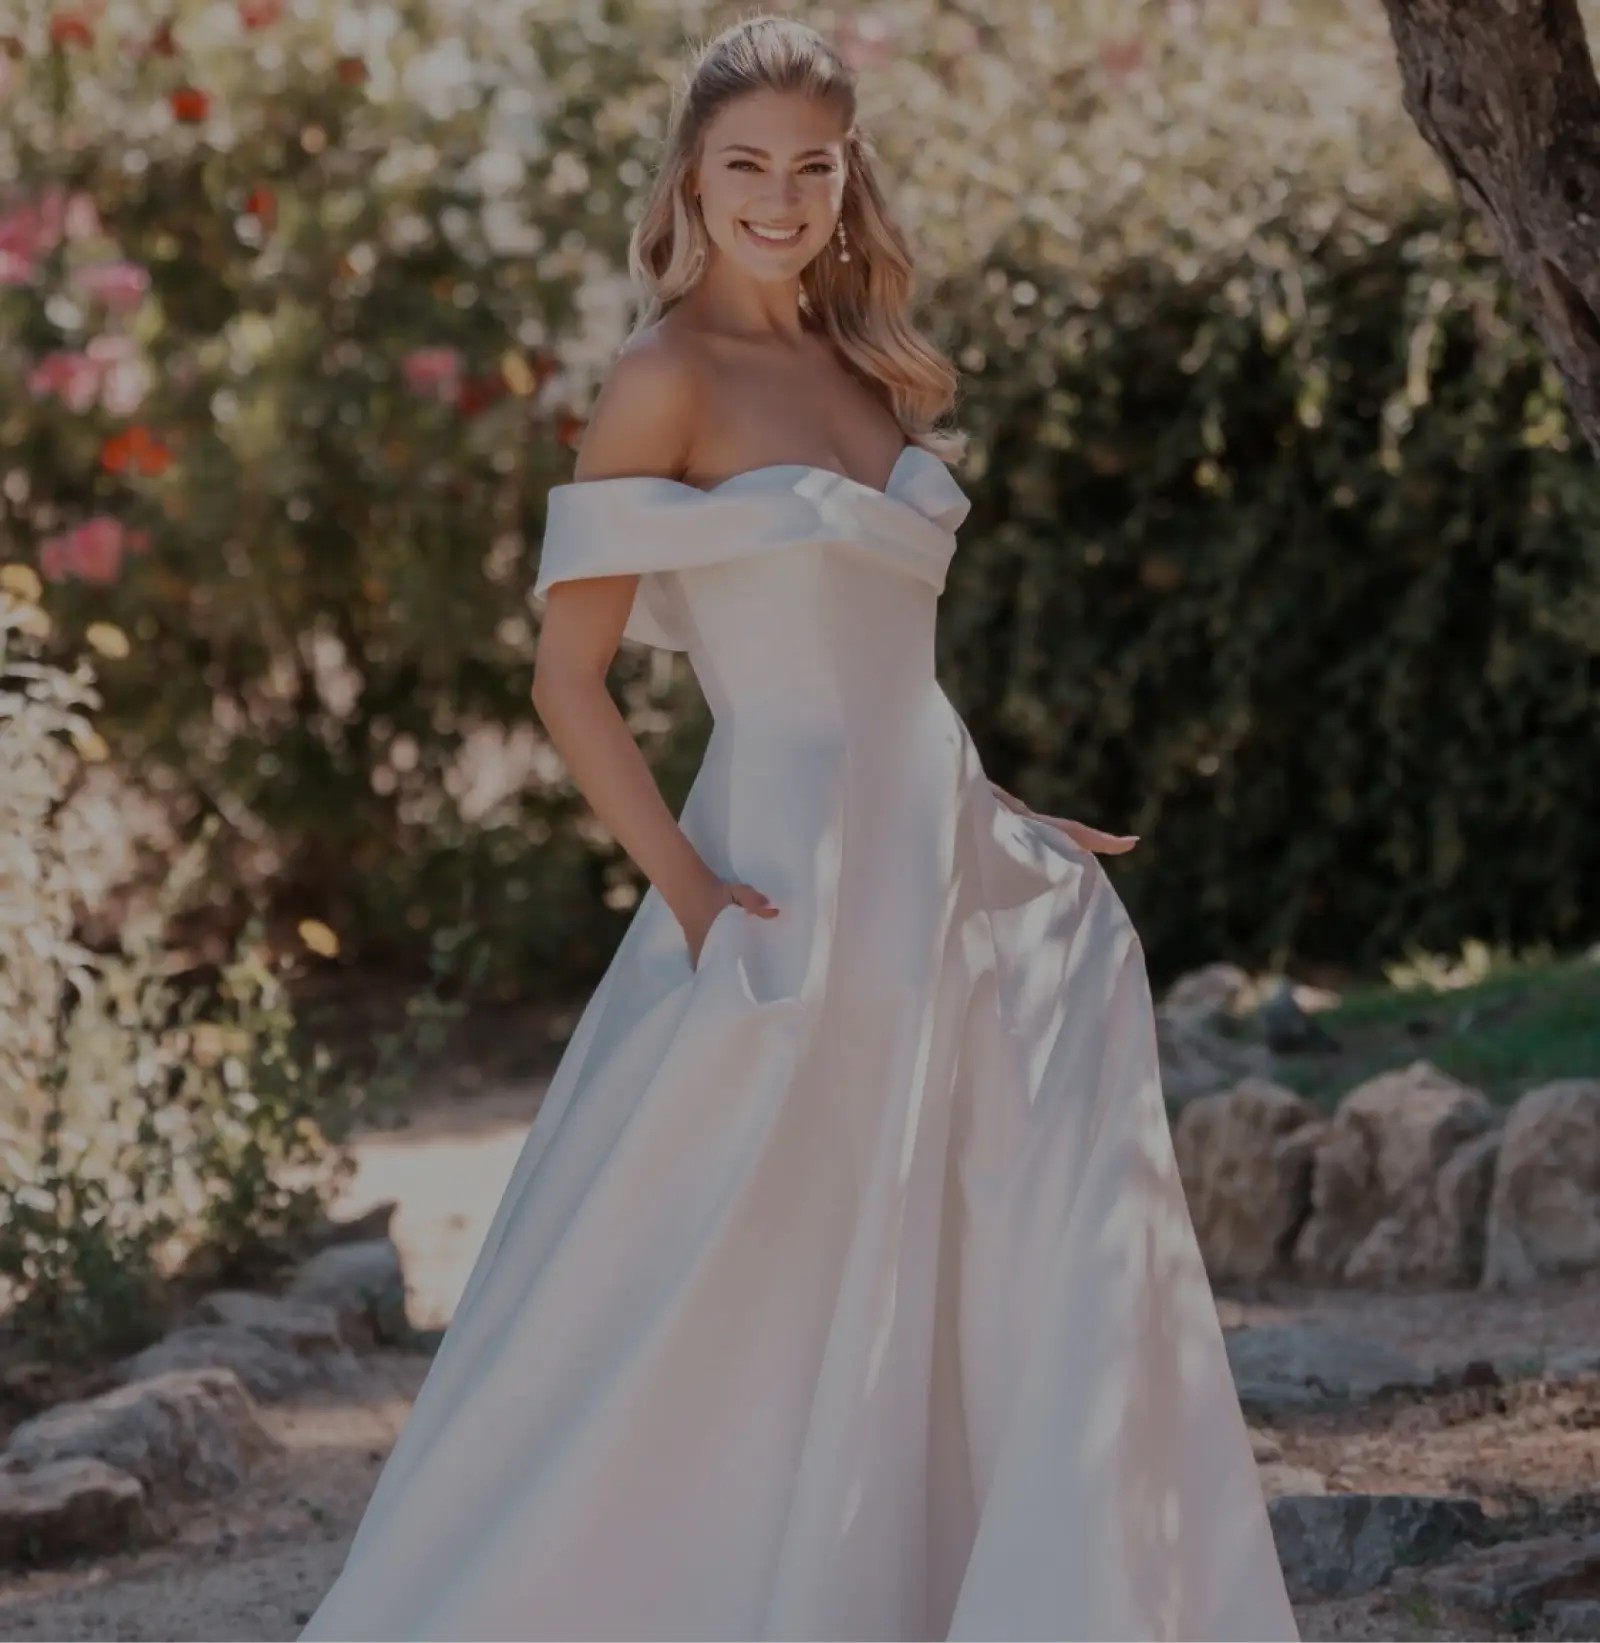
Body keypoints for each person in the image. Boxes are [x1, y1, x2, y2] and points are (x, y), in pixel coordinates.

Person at [300, 15, 1299, 1642]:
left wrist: (995, 812)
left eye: (811, 166)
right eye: (746, 164)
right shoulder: (664, 374)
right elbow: (568, 680)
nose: (779, 196)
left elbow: (889, 674)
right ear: (693, 175)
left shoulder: (863, 366)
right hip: (780, 879)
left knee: (1006, 1225)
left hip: (949, 858)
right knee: (742, 1274)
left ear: (850, 178)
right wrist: (691, 896)